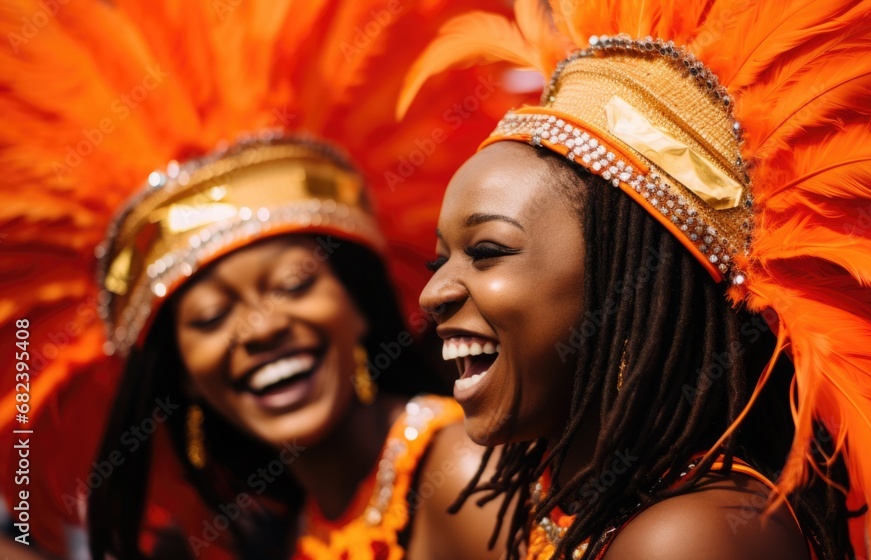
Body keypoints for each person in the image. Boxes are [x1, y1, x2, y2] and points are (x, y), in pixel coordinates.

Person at [399, 0, 871, 559]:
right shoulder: (564, 498)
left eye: (486, 250)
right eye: (439, 260)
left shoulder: (691, 536)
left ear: (623, 285)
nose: (435, 293)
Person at [0, 1, 527, 558]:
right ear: (182, 374)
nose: (260, 327)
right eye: (210, 317)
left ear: (358, 304)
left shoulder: (458, 473)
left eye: (295, 285)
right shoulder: (306, 524)